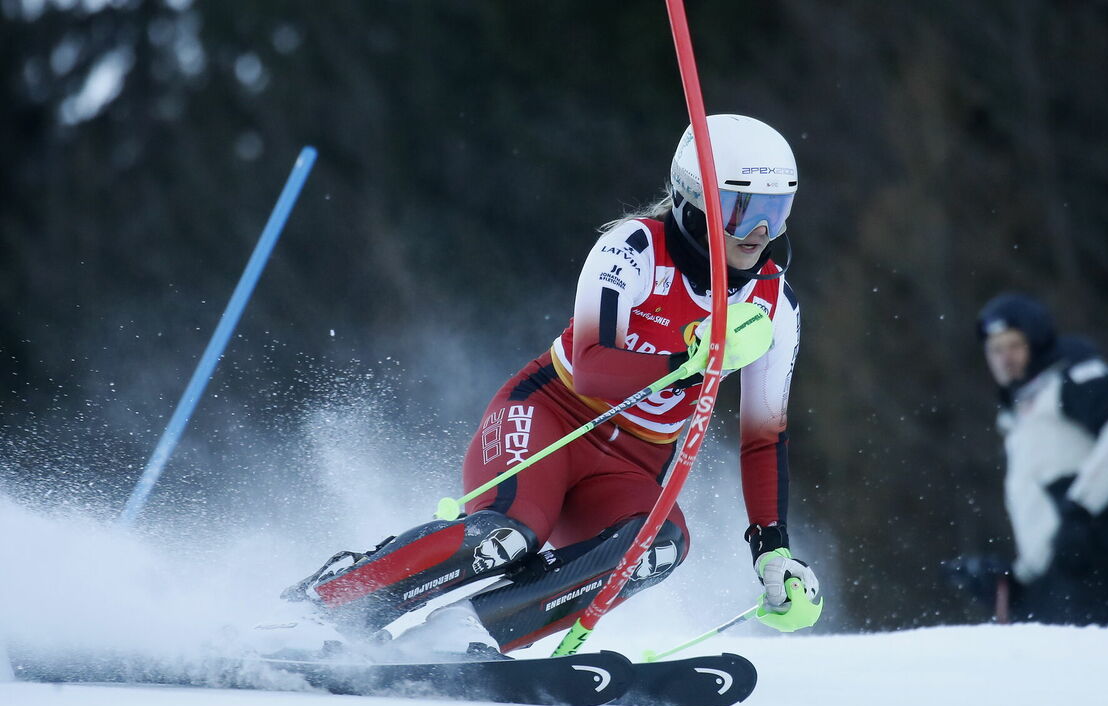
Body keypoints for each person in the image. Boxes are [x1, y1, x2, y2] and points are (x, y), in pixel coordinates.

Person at [281, 114, 821, 655]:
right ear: (692, 199)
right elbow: (590, 365)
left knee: (658, 545)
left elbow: (762, 438)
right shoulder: (631, 251)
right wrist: (687, 359)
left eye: (776, 215)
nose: (759, 236)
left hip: (631, 465)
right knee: (508, 538)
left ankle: (465, 632)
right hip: (551, 419)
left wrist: (772, 551)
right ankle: (328, 603)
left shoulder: (774, 307)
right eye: (742, 211)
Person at [964, 292, 1108, 626]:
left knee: (1099, 673)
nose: (1005, 359)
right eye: (995, 350)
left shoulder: (1071, 377)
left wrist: (1080, 509)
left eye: (1014, 346)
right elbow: (1049, 521)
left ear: (1036, 342)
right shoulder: (1020, 412)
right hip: (1060, 574)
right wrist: (1016, 579)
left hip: (1097, 561)